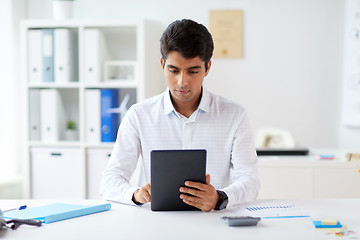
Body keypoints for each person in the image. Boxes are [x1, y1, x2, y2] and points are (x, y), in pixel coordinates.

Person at [101, 19, 260, 212]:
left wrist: (220, 198)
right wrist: (136, 194)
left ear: (207, 68)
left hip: (212, 222)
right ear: (162, 64)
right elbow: (110, 181)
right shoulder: (138, 115)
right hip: (154, 224)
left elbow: (250, 181)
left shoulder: (234, 115)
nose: (182, 82)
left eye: (193, 71)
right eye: (173, 70)